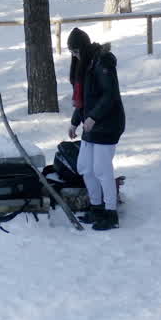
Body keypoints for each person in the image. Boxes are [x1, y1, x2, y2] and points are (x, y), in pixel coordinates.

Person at [66, 27, 126, 231]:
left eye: (76, 51)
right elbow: (84, 99)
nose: (74, 56)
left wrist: (94, 117)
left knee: (101, 168)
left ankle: (111, 213)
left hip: (108, 123)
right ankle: (96, 207)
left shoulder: (102, 61)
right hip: (91, 124)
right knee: (85, 167)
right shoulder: (85, 65)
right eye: (71, 52)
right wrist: (75, 121)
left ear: (83, 48)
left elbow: (110, 95)